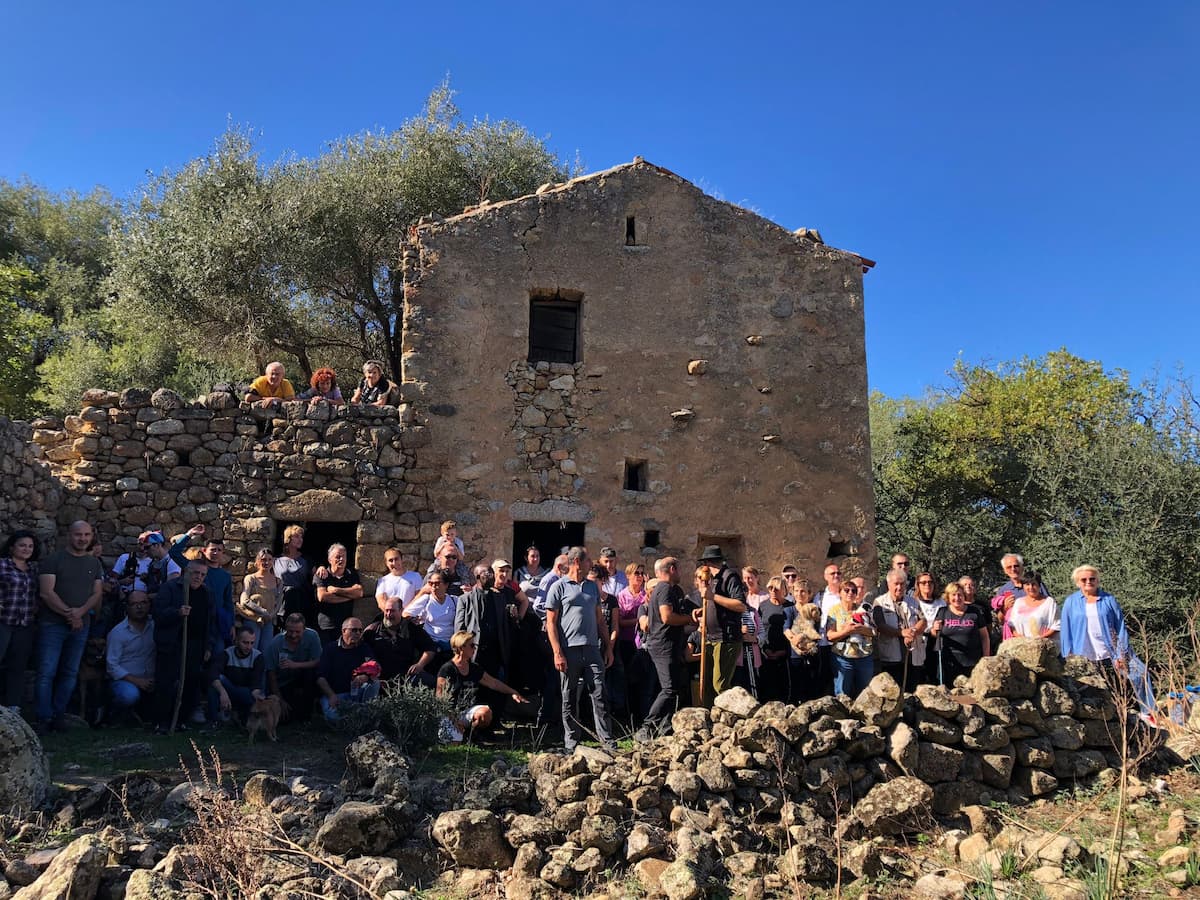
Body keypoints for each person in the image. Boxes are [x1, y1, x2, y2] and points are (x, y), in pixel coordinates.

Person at [1060, 565, 1155, 720]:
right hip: (1083, 652)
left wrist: (1121, 654)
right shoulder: (1071, 602)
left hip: (1111, 649)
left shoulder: (1108, 600)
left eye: (1092, 579)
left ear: (1097, 580)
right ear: (1077, 582)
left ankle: (1148, 713)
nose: (1088, 582)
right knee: (1085, 687)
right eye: (1083, 579)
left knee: (1140, 673)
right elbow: (1066, 631)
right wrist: (1068, 656)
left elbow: (1120, 627)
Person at [36, 520, 104, 732]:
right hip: (53, 625)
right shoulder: (53, 560)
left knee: (70, 672)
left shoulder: (94, 564)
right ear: (69, 535)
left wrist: (80, 613)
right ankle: (43, 718)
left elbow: (97, 593)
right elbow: (47, 592)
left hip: (80, 626)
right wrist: (70, 614)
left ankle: (59, 715)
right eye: (78, 535)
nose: (82, 539)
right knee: (46, 672)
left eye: (86, 535)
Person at [545, 547, 616, 751]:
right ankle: (572, 741)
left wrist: (608, 648)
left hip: (592, 648)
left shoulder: (592, 587)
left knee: (600, 692)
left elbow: (600, 620)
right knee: (569, 695)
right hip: (569, 650)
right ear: (577, 562)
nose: (591, 565)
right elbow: (551, 623)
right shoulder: (558, 587)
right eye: (588, 561)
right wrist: (557, 652)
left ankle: (606, 740)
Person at [152, 559, 221, 733]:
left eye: (202, 574)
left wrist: (208, 647)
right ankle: (162, 722)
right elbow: (158, 614)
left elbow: (210, 623)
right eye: (195, 573)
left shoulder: (207, 593)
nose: (199, 577)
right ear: (186, 572)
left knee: (191, 684)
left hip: (196, 645)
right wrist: (177, 613)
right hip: (172, 644)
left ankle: (181, 720)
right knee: (166, 684)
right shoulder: (171, 588)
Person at [437, 631, 527, 742]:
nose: (474, 649)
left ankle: (472, 735)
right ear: (461, 648)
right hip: (450, 713)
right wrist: (454, 720)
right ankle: (461, 737)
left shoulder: (474, 668)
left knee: (485, 713)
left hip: (467, 711)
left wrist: (513, 692)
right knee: (454, 743)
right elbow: (440, 698)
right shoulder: (447, 669)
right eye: (471, 646)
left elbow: (493, 683)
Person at [693, 546, 748, 703]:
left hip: (726, 638)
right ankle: (714, 721)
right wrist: (701, 611)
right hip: (711, 637)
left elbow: (740, 605)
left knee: (720, 684)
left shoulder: (730, 576)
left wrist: (712, 596)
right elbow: (715, 603)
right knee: (709, 685)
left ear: (709, 563)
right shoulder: (714, 580)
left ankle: (736, 715)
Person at [169, 525, 234, 648]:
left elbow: (228, 602)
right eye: (213, 549)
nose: (216, 553)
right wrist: (190, 534)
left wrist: (231, 624)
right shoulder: (194, 568)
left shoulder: (225, 576)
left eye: (219, 550)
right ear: (204, 551)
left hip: (217, 622)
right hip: (196, 619)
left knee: (217, 656)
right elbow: (174, 553)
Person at [0, 530, 40, 712]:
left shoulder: (34, 569)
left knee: (18, 667)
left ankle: (13, 708)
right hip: (3, 621)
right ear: (11, 547)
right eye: (22, 545)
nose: (26, 549)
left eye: (30, 546)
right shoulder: (2, 566)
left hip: (25, 624)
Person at [316, 618, 380, 722]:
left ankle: (362, 714)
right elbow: (320, 678)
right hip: (335, 695)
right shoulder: (331, 649)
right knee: (333, 716)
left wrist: (365, 675)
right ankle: (359, 716)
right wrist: (331, 695)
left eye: (360, 630)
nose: (358, 633)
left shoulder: (364, 648)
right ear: (343, 631)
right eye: (354, 630)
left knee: (374, 683)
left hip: (356, 693)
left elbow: (375, 666)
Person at [105, 590, 156, 722]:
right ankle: (115, 713)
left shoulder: (155, 627)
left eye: (143, 603)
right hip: (126, 680)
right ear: (127, 607)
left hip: (151, 678)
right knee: (128, 695)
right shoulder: (118, 633)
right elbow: (111, 665)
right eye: (134, 604)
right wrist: (137, 681)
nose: (139, 607)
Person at [363, 597, 437, 685]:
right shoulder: (372, 630)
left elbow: (430, 648)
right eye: (386, 610)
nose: (388, 614)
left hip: (406, 676)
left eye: (392, 611)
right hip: (380, 678)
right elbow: (361, 651)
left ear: (401, 610)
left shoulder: (411, 629)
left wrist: (420, 665)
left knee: (434, 683)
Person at [265, 613, 323, 722]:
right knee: (285, 717)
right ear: (285, 628)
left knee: (311, 674)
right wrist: (279, 699)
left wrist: (295, 665)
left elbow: (318, 661)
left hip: (303, 677)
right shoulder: (275, 643)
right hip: (283, 682)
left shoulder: (312, 636)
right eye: (290, 631)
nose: (293, 635)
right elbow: (270, 673)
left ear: (304, 629)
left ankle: (309, 712)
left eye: (297, 632)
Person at [873, 569, 924, 690]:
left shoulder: (913, 601)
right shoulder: (879, 602)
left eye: (902, 584)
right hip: (891, 657)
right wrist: (901, 633)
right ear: (888, 584)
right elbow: (881, 625)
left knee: (912, 690)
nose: (899, 587)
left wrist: (913, 632)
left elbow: (923, 620)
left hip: (913, 656)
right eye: (896, 584)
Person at [930, 582, 990, 685]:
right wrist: (935, 629)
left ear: (964, 596)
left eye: (960, 595)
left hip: (972, 661)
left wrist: (986, 658)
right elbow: (934, 634)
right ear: (948, 597)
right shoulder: (943, 612)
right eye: (953, 595)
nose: (957, 598)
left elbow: (985, 636)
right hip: (949, 662)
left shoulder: (974, 612)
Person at [207, 626, 266, 725]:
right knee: (215, 682)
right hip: (229, 689)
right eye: (245, 642)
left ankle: (238, 715)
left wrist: (258, 696)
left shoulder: (258, 657)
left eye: (252, 643)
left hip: (246, 692)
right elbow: (213, 673)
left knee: (254, 698)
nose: (249, 647)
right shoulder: (227, 653)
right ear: (237, 641)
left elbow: (256, 683)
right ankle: (214, 721)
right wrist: (223, 692)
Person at [825, 580, 875, 698]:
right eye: (846, 590)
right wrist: (847, 631)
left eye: (853, 591)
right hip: (843, 659)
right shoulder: (834, 611)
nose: (850, 593)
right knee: (842, 694)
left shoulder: (864, 609)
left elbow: (874, 631)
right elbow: (830, 636)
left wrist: (861, 629)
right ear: (840, 593)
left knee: (865, 694)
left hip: (864, 658)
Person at [314, 544, 363, 645]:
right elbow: (323, 597)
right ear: (329, 559)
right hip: (326, 626)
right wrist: (349, 595)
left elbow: (359, 593)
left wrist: (336, 590)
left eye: (343, 556)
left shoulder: (351, 574)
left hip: (346, 627)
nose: (341, 559)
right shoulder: (322, 575)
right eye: (337, 557)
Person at [239, 548, 283, 650]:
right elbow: (244, 600)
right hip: (252, 619)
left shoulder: (278, 581)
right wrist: (262, 611)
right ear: (257, 561)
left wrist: (271, 615)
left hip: (268, 621)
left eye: (269, 559)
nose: (266, 562)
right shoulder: (251, 579)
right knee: (250, 649)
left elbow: (279, 602)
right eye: (263, 559)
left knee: (266, 651)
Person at [404, 571, 457, 653]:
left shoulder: (454, 600)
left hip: (450, 644)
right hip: (431, 643)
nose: (433, 587)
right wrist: (415, 619)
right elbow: (405, 614)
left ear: (446, 585)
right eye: (430, 583)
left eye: (437, 583)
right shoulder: (426, 599)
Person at [1004, 571, 1060, 644]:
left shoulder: (1049, 602)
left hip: (1045, 646)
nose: (1031, 587)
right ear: (1023, 586)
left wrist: (1041, 639)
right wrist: (1022, 639)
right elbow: (1012, 625)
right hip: (1023, 646)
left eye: (1034, 584)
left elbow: (1057, 625)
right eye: (1027, 584)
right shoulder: (1018, 602)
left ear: (1039, 586)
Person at [274, 525, 313, 625]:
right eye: (296, 536)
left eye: (301, 537)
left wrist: (321, 567)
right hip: (282, 604)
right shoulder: (276, 560)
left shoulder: (306, 560)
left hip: (301, 603)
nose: (300, 539)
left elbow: (316, 573)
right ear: (288, 538)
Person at [376, 548, 423, 613]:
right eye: (390, 560)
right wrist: (394, 614)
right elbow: (381, 602)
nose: (394, 563)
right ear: (386, 563)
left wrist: (405, 613)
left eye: (396, 559)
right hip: (391, 618)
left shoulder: (415, 576)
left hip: (410, 617)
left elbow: (419, 597)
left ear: (402, 559)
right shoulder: (382, 581)